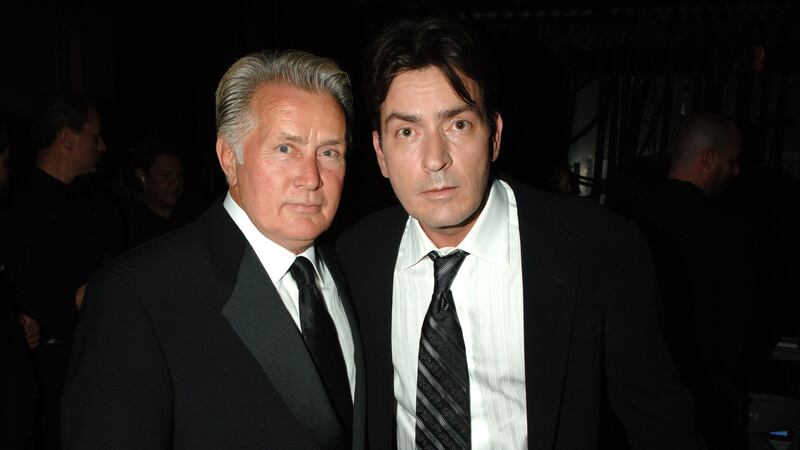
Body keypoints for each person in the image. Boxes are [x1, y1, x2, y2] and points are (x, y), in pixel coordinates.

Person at [335, 17, 698, 450]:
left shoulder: (601, 248)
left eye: (458, 124)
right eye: (407, 132)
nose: (434, 159)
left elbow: (659, 420)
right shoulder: (354, 258)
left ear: (494, 136)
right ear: (380, 152)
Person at [61, 50, 365, 450]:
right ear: (229, 158)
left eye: (328, 152)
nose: (311, 178)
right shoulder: (137, 296)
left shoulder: (356, 270)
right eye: (285, 148)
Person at [626, 113, 761, 450]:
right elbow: (743, 325)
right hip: (708, 408)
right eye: (731, 160)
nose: (735, 171)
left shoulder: (625, 218)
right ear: (708, 159)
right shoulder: (730, 232)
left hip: (636, 409)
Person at [1, 92, 124, 450]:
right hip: (46, 375)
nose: (101, 146)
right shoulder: (16, 207)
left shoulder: (97, 202)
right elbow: (16, 299)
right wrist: (71, 302)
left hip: (94, 362)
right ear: (67, 138)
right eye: (93, 135)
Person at [124, 140, 189, 248]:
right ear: (142, 177)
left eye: (179, 175)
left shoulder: (190, 216)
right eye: (166, 175)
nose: (176, 182)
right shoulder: (129, 226)